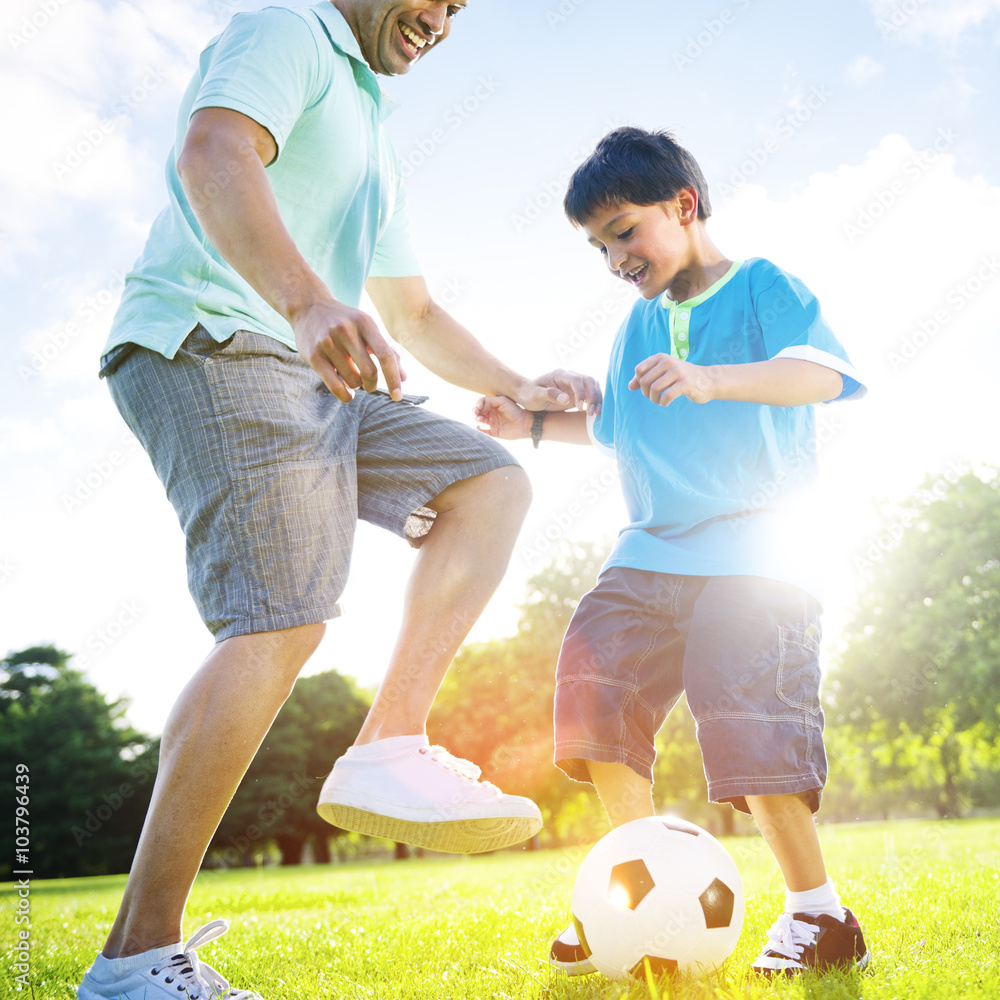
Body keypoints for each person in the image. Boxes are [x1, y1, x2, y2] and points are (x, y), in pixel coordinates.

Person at [78, 3, 599, 999]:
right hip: (217, 341)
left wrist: (522, 386)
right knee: (281, 618)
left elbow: (412, 312)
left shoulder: (371, 123)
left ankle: (387, 741)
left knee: (489, 482)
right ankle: (135, 956)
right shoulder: (290, 30)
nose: (441, 24)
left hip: (317, 376)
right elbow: (212, 147)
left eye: (457, 12)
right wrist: (307, 299)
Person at [475, 126, 870, 978]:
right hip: (650, 553)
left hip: (761, 552)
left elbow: (822, 375)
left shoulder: (764, 286)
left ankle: (820, 915)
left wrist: (713, 378)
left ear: (684, 206)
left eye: (623, 230)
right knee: (594, 687)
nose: (613, 255)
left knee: (747, 717)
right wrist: (533, 422)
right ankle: (630, 901)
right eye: (596, 245)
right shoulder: (633, 327)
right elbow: (615, 429)